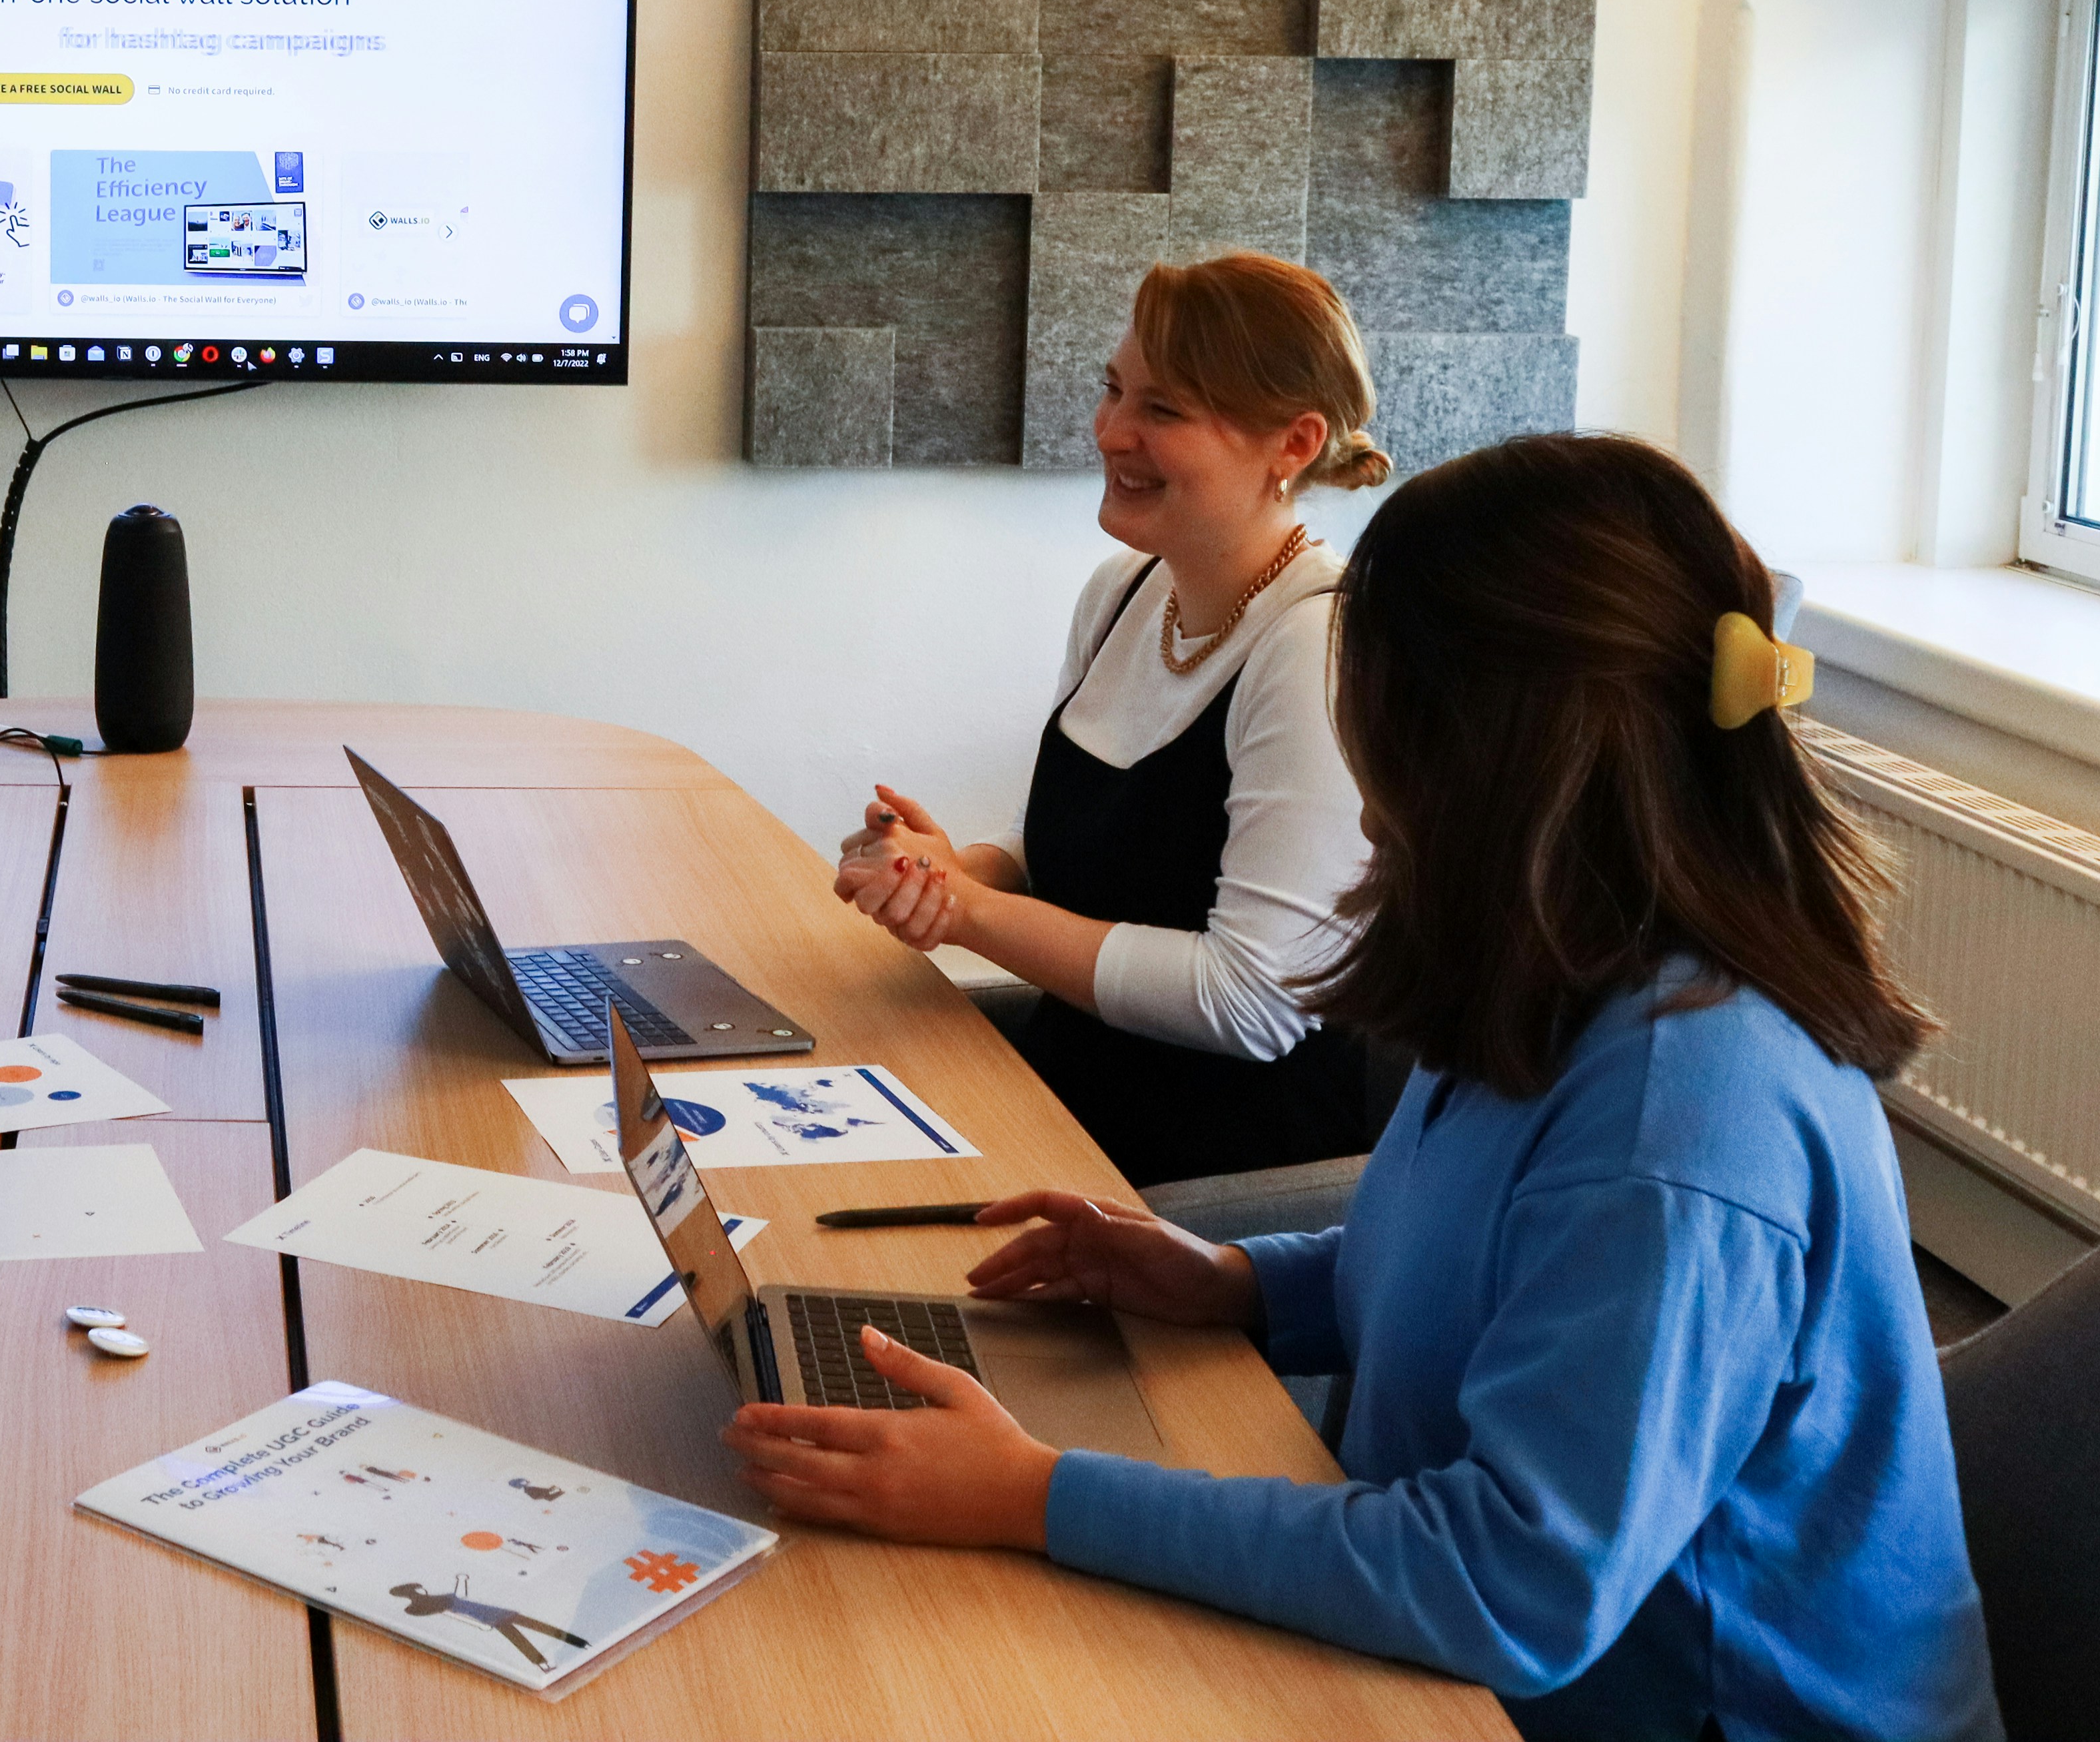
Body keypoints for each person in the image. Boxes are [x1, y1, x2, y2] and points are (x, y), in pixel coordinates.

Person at [724, 433, 1998, 1742]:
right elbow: (1493, 1262)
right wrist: (1233, 1283)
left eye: (1372, 716)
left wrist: (1038, 1496)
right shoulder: (1569, 960)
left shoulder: (1682, 1115)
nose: (1357, 775)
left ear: (1486, 749)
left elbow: (1509, 1582)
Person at [838, 251, 1391, 1184]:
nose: (1109, 431)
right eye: (1113, 391)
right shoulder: (1124, 592)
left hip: (1212, 1180)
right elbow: (1096, 849)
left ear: (1293, 446)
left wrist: (971, 913)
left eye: (1162, 410)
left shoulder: (1318, 647)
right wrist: (951, 871)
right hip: (1059, 1114)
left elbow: (1251, 1003)